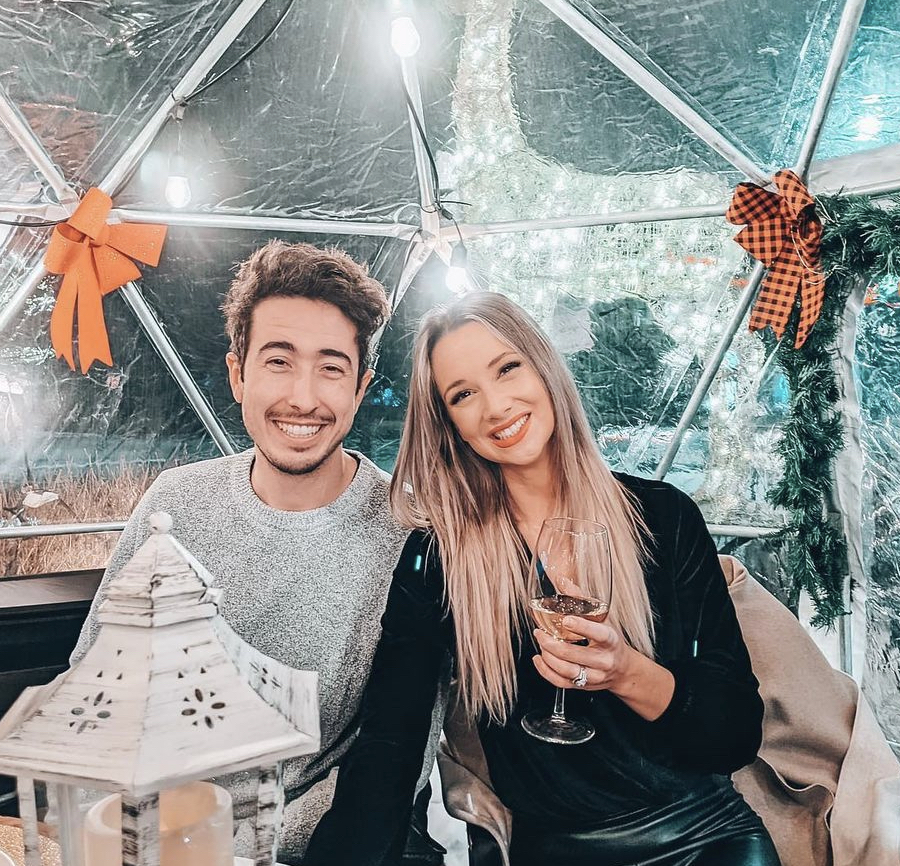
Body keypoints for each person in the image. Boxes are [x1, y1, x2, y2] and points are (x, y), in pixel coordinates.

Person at [305, 292, 781, 866]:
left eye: (507, 368)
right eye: (463, 395)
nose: (496, 407)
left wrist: (626, 672)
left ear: (544, 368)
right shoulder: (438, 559)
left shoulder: (664, 517)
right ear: (450, 424)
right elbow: (391, 742)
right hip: (557, 846)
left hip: (702, 834)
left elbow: (733, 734)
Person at [69, 240, 444, 865]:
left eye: (331, 367)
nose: (303, 397)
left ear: (360, 387)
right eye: (278, 361)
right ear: (238, 373)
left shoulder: (409, 534)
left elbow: (395, 756)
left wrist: (228, 849)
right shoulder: (177, 505)